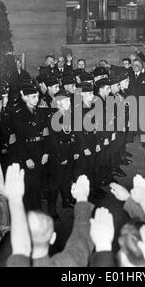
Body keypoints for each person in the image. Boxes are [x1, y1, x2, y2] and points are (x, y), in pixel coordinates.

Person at [12, 83, 49, 211]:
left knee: (38, 184)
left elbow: (46, 135)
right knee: (28, 186)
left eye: (37, 96)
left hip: (40, 151)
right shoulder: (19, 114)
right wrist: (26, 158)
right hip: (28, 152)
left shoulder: (41, 112)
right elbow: (19, 140)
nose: (37, 99)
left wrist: (45, 153)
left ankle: (37, 210)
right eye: (33, 97)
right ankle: (27, 212)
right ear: (25, 97)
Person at [47, 89, 78, 219]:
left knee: (66, 178)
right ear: (59, 103)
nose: (69, 102)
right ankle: (51, 209)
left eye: (69, 100)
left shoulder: (68, 115)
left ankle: (66, 201)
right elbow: (53, 141)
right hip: (58, 154)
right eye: (65, 100)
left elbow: (73, 135)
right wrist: (61, 157)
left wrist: (75, 151)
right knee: (55, 183)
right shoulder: (53, 117)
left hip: (69, 150)